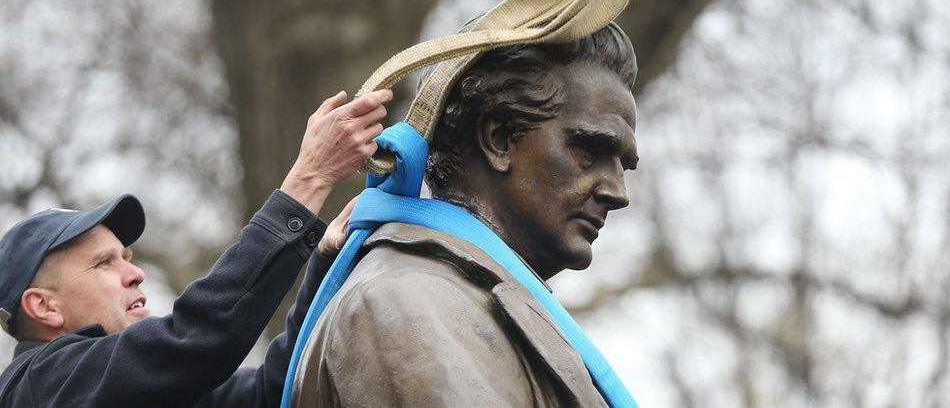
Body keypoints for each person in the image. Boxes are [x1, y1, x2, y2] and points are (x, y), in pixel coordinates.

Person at [292, 24, 638, 407]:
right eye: (590, 151)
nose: (617, 192)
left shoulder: (471, 306)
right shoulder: (407, 302)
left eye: (623, 166)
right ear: (499, 139)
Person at [0, 88, 393, 407]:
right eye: (103, 263)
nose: (135, 273)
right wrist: (309, 179)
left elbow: (274, 392)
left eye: (127, 258)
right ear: (43, 307)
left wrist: (325, 262)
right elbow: (195, 338)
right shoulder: (38, 387)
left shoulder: (147, 389)